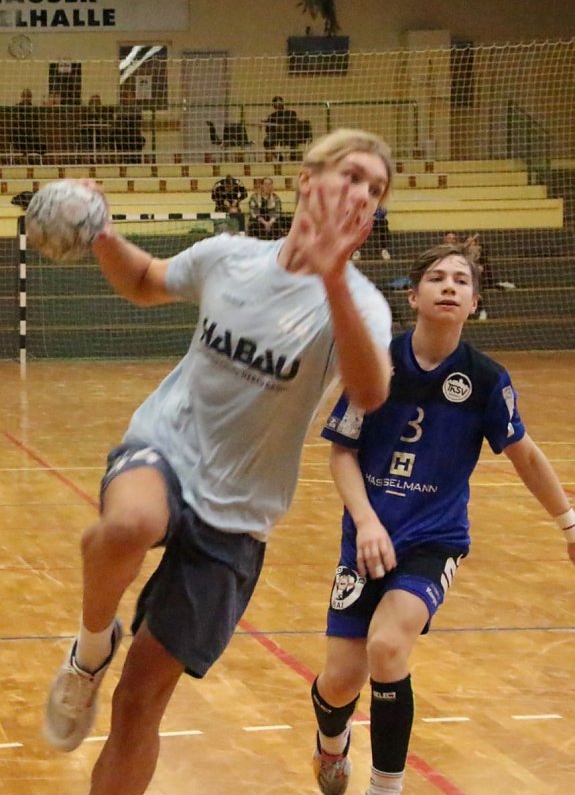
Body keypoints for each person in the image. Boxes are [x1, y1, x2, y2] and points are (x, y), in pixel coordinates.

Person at [42, 128, 395, 795]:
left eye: (374, 189)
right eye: (351, 176)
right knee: (129, 524)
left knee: (138, 703)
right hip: (166, 446)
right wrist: (101, 235)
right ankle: (90, 650)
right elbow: (144, 281)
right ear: (306, 180)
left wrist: (331, 279)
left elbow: (370, 390)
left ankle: (107, 681)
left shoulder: (362, 304)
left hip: (240, 514)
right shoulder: (230, 256)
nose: (361, 194)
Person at [310, 242, 575, 795]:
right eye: (436, 277)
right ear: (413, 296)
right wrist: (367, 521)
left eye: (461, 280)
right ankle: (331, 741)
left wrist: (568, 522)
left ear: (475, 302)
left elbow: (525, 455)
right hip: (367, 536)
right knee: (340, 682)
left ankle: (386, 786)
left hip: (435, 540)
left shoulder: (486, 379)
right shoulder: (374, 362)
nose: (449, 285)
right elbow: (341, 453)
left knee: (388, 647)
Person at [11, 88, 46, 162]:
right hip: (20, 136)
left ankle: (31, 159)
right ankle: (27, 158)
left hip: (31, 136)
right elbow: (15, 123)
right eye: (25, 96)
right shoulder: (17, 108)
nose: (26, 98)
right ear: (22, 97)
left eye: (28, 96)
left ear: (31, 98)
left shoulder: (33, 109)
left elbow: (36, 124)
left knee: (42, 145)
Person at [263, 95, 300, 160]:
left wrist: (284, 127)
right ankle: (278, 156)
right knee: (267, 141)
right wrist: (268, 125)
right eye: (275, 105)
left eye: (279, 104)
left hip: (288, 133)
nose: (278, 106)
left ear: (282, 103)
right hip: (277, 134)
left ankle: (293, 156)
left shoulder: (291, 113)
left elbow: (294, 124)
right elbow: (268, 130)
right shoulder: (272, 116)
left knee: (293, 137)